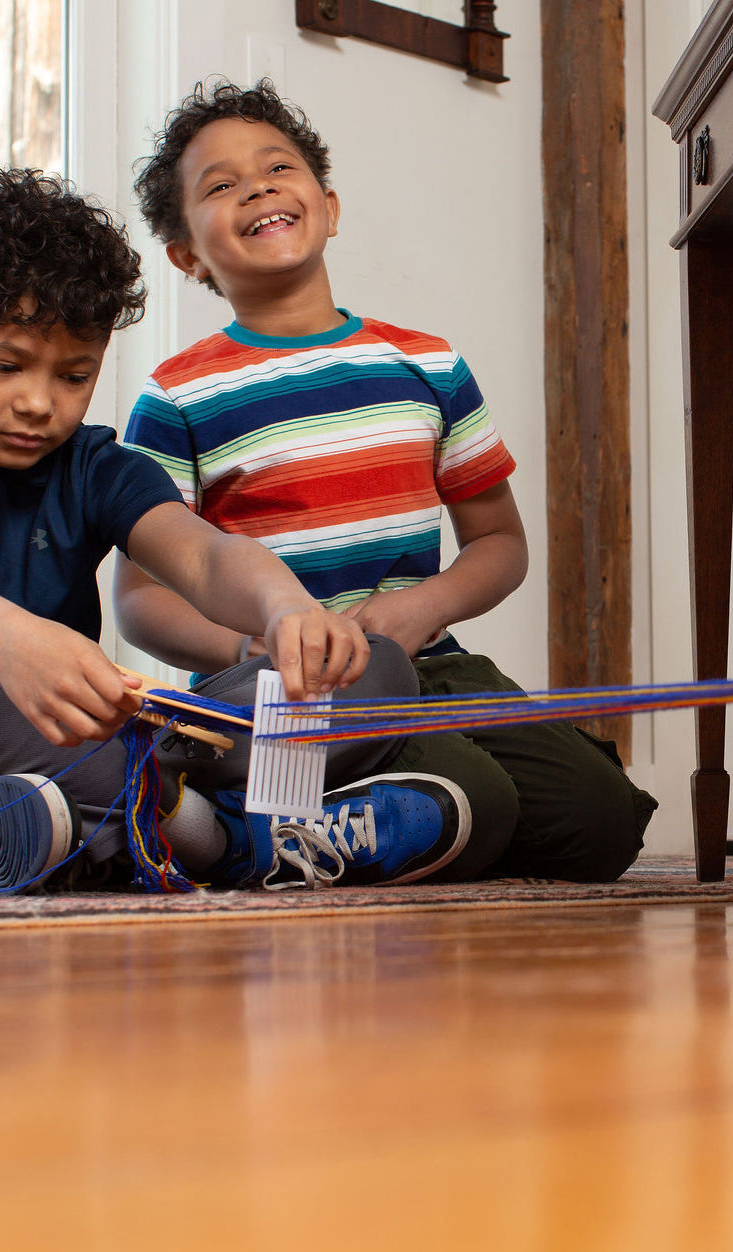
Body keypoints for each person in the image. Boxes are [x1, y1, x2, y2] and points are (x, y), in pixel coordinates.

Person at [0, 166, 469, 894]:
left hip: (60, 766)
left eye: (73, 376)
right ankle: (214, 837)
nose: (38, 402)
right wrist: (7, 638)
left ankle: (49, 836)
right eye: (6, 366)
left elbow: (204, 558)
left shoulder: (95, 466)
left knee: (368, 665)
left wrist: (286, 609)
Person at [119, 79, 657, 883]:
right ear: (186, 254)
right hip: (287, 692)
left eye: (277, 167)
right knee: (477, 796)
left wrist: (424, 607)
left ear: (329, 207)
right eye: (221, 185)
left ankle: (319, 824)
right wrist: (250, 645)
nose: (258, 187)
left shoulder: (429, 365)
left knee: (601, 823)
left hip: (432, 665)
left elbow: (499, 543)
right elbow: (139, 600)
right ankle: (246, 823)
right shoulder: (176, 396)